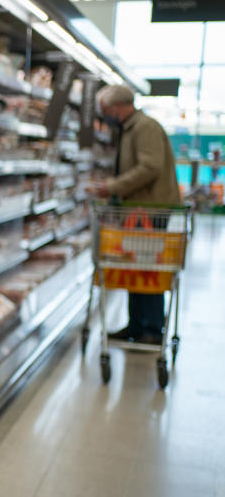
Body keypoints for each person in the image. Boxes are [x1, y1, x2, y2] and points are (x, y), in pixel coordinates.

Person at [89, 84, 180, 345]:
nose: (106, 115)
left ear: (117, 107)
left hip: (150, 209)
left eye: (106, 110)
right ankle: (137, 324)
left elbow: (150, 167)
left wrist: (113, 187)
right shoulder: (131, 129)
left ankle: (150, 328)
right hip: (138, 209)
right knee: (135, 265)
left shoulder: (144, 127)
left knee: (147, 268)